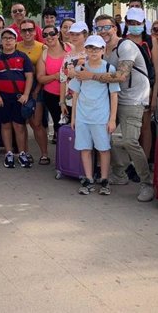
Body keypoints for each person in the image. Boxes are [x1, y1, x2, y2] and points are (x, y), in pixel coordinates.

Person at [73, 15, 155, 202]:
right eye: (99, 28)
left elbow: (121, 76)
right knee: (104, 136)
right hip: (110, 100)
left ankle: (146, 183)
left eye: (106, 27)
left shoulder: (125, 46)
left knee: (129, 141)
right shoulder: (103, 50)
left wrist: (89, 75)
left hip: (133, 99)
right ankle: (119, 174)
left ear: (115, 28)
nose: (103, 31)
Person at [68, 35, 120, 196]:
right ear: (85, 50)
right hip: (83, 116)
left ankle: (104, 179)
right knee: (85, 148)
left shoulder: (108, 69)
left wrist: (112, 119)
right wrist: (73, 117)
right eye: (90, 48)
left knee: (104, 149)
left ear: (103, 50)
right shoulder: (80, 69)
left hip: (101, 117)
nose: (93, 51)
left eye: (97, 48)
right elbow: (75, 93)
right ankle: (88, 179)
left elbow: (114, 95)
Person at [0, 28, 33, 169]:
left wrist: (26, 94)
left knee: (19, 126)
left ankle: (22, 153)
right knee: (5, 125)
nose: (8, 41)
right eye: (5, 38)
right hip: (3, 98)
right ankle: (8, 153)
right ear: (1, 41)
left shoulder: (23, 57)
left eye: (11, 38)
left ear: (15, 40)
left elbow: (29, 76)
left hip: (19, 98)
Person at [121, 7, 158, 161]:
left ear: (143, 23)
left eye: (138, 22)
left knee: (145, 127)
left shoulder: (150, 41)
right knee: (130, 131)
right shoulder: (122, 41)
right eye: (131, 22)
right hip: (125, 92)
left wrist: (154, 96)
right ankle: (132, 162)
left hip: (145, 92)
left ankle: (144, 161)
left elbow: (156, 71)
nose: (135, 25)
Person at [16, 18, 50, 165]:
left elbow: (45, 71)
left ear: (35, 31)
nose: (27, 32)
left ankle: (44, 154)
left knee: (36, 123)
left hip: (37, 88)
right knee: (20, 123)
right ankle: (25, 153)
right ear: (20, 32)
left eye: (30, 29)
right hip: (18, 89)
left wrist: (37, 89)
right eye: (24, 30)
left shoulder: (42, 47)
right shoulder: (15, 47)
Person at [36, 24, 70, 144]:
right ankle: (63, 155)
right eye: (45, 35)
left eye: (52, 34)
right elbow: (40, 78)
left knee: (75, 124)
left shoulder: (70, 48)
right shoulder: (44, 54)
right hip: (52, 95)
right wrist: (55, 76)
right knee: (59, 124)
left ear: (58, 34)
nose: (49, 37)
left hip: (72, 94)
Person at [60, 21, 88, 124]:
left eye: (78, 34)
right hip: (70, 100)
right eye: (72, 34)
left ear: (85, 35)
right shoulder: (67, 56)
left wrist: (75, 74)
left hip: (87, 100)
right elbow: (63, 80)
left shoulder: (91, 54)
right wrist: (62, 102)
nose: (74, 37)